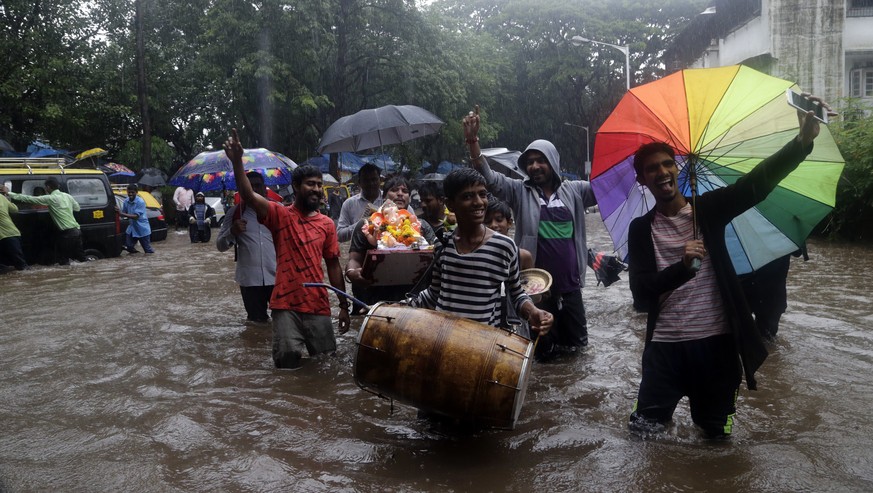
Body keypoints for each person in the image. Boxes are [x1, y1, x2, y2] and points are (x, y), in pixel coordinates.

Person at [626, 96, 831, 438]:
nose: (661, 172)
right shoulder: (640, 229)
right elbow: (641, 292)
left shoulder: (709, 210)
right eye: (652, 169)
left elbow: (754, 185)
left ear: (677, 168)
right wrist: (682, 267)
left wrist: (801, 142)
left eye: (667, 164)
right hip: (664, 348)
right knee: (644, 433)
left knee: (716, 439)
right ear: (642, 181)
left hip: (716, 347)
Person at [463, 106, 596, 360]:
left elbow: (607, 187)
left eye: (540, 160)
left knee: (578, 354)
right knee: (543, 355)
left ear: (553, 162)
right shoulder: (518, 191)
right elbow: (489, 178)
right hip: (535, 290)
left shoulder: (576, 190)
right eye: (530, 162)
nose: (534, 166)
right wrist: (473, 142)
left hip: (571, 288)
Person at [224, 128, 350, 369]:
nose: (315, 189)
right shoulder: (279, 215)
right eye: (310, 184)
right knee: (286, 365)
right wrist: (237, 161)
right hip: (284, 304)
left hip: (318, 304)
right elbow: (249, 196)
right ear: (295, 186)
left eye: (318, 185)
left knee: (326, 365)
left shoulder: (326, 225)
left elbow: (333, 265)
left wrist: (344, 306)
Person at [407, 167, 553, 335]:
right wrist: (400, 306)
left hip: (482, 344)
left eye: (482, 194)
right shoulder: (444, 244)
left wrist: (534, 312)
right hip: (443, 340)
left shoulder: (504, 247)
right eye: (468, 196)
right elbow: (434, 294)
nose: (478, 202)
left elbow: (517, 294)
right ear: (450, 204)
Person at [344, 176, 437, 312]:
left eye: (405, 191)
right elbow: (354, 259)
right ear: (384, 197)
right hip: (373, 298)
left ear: (409, 198)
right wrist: (352, 273)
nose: (400, 193)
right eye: (394, 190)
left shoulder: (421, 226)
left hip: (410, 299)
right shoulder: (368, 225)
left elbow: (436, 256)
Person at [216, 171, 277, 325]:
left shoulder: (278, 210)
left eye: (258, 186)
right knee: (256, 324)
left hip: (278, 276)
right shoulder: (235, 213)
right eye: (250, 186)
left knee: (283, 320)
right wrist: (232, 233)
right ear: (243, 190)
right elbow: (220, 246)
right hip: (250, 280)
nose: (254, 190)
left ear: (265, 188)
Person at [1, 177, 87, 265]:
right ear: (58, 186)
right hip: (77, 230)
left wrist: (9, 193)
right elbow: (77, 208)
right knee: (81, 257)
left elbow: (29, 199)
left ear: (48, 187)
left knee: (63, 260)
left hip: (67, 234)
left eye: (45, 187)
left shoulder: (51, 198)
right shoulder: (68, 196)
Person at [739, 247, 805, 341]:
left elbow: (798, 251)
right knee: (767, 336)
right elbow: (798, 251)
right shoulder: (784, 234)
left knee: (745, 334)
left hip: (751, 288)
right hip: (771, 292)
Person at [336, 163, 382, 242]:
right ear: (359, 183)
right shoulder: (349, 204)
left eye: (374, 179)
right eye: (366, 180)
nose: (371, 184)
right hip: (360, 252)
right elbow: (339, 236)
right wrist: (360, 225)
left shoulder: (388, 199)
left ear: (380, 180)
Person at [485, 198, 533, 270]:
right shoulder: (477, 255)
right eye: (487, 221)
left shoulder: (523, 256)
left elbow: (531, 280)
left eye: (499, 220)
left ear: (509, 223)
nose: (493, 225)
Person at [118, 184, 155, 254]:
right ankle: (137, 256)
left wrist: (121, 214)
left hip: (142, 229)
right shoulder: (126, 201)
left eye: (132, 192)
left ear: (136, 192)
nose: (130, 194)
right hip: (132, 228)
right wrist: (117, 211)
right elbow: (123, 213)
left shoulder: (140, 202)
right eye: (129, 192)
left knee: (147, 250)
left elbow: (136, 216)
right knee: (128, 246)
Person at [0, 192, 27, 272]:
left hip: (8, 235)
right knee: (19, 265)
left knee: (21, 266)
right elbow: (15, 209)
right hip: (11, 233)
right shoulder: (2, 197)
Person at [417, 181, 450, 245]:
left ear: (441, 200)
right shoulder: (417, 223)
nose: (422, 205)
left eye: (428, 201)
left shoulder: (454, 223)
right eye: (421, 200)